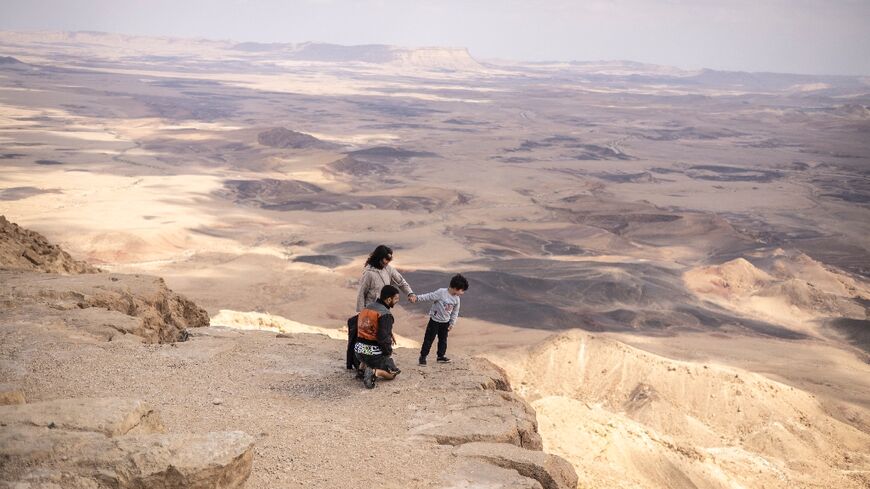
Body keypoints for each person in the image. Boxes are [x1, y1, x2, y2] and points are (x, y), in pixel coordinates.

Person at [354, 284, 402, 388]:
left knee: (368, 354)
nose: (397, 301)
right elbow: (383, 338)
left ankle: (361, 370)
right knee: (392, 373)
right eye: (396, 298)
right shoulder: (385, 314)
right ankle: (374, 372)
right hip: (372, 354)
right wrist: (388, 352)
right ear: (389, 299)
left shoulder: (366, 308)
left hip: (358, 351)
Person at [416, 274, 469, 366]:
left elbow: (455, 312)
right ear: (456, 288)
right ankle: (423, 357)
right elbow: (429, 296)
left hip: (445, 323)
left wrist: (452, 323)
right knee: (429, 339)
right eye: (462, 290)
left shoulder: (457, 299)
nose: (463, 292)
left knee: (443, 340)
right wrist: (417, 298)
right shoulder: (441, 292)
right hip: (434, 321)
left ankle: (440, 356)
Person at [356, 245, 416, 313]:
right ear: (379, 258)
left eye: (389, 260)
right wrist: (360, 313)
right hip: (370, 312)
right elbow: (361, 294)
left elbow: (401, 282)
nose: (388, 262)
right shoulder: (368, 274)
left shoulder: (389, 269)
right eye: (386, 259)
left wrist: (410, 293)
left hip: (384, 311)